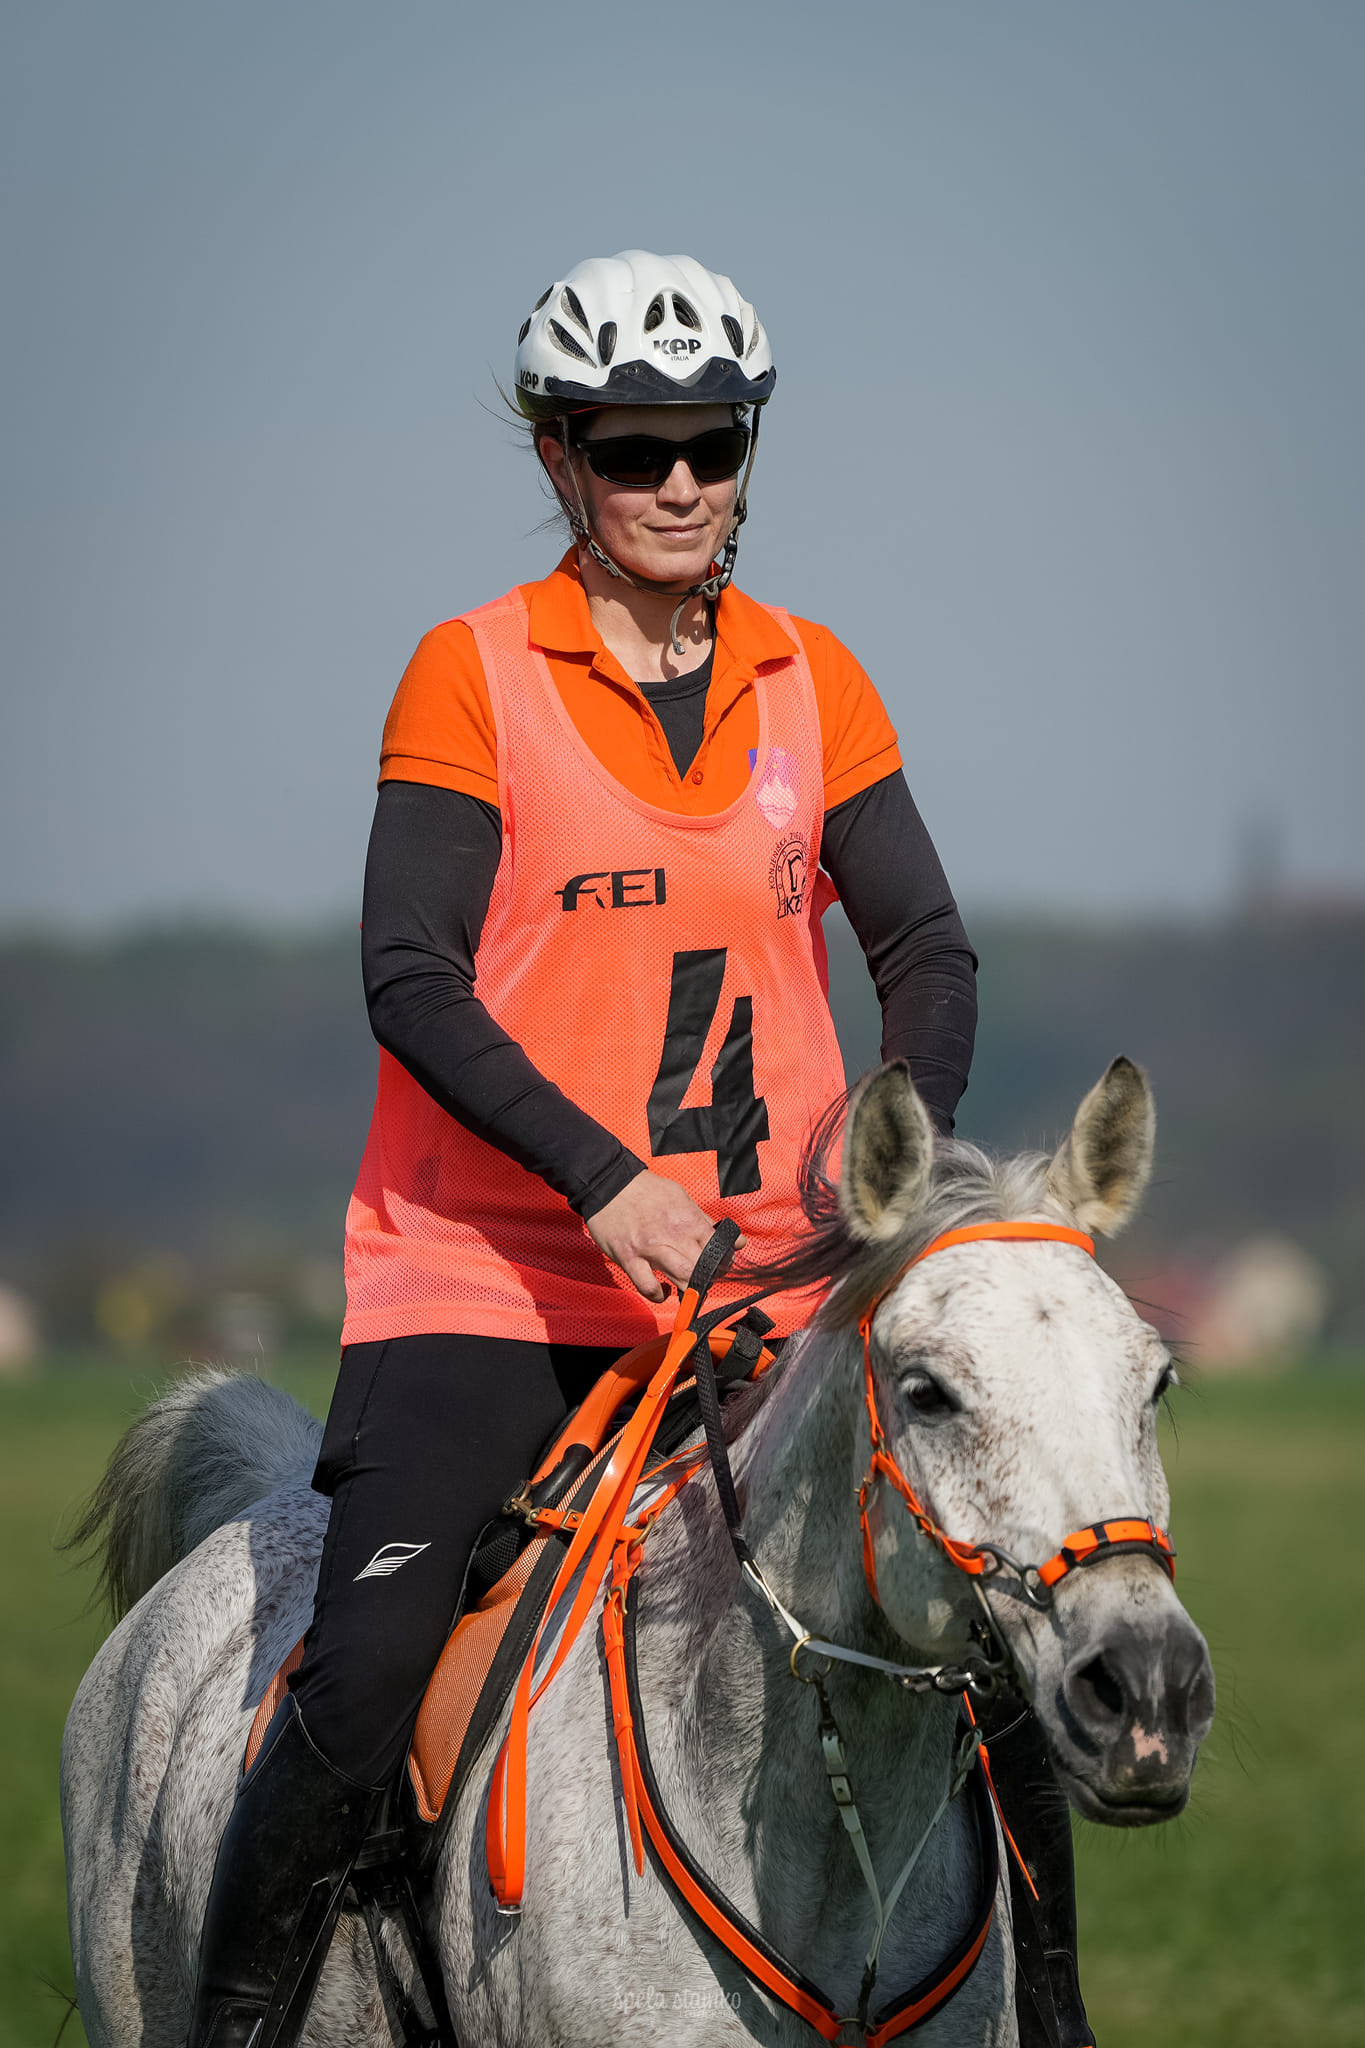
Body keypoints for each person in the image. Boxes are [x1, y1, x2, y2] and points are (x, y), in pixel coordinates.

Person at [188, 251, 1087, 2048]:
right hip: (490, 1286)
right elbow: (409, 974)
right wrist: (600, 1180)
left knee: (985, 1635)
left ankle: (1049, 2017)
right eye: (631, 451)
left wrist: (887, 1167)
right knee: (364, 1678)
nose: (678, 484)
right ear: (559, 460)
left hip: (767, 1294)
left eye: (713, 446)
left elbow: (926, 948)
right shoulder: (468, 675)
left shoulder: (813, 679)